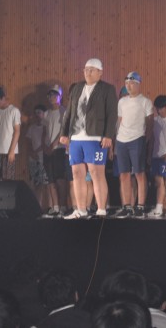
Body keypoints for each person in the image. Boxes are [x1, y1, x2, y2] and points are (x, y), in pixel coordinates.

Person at [60, 58, 117, 219]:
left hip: (95, 137)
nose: (88, 72)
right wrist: (64, 133)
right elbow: (69, 112)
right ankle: (81, 210)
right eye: (86, 69)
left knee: (96, 173)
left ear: (100, 72)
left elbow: (112, 114)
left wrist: (108, 135)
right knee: (77, 173)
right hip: (76, 136)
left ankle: (101, 209)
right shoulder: (77, 88)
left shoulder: (107, 89)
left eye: (91, 70)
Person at [114, 71, 154, 219]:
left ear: (138, 84)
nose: (128, 86)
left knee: (139, 173)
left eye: (131, 83)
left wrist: (145, 140)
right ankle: (127, 206)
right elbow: (119, 122)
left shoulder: (145, 101)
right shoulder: (122, 102)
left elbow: (150, 124)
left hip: (137, 139)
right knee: (124, 174)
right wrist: (115, 140)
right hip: (121, 140)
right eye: (126, 83)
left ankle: (141, 206)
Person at [43, 85, 69, 217]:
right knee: (51, 179)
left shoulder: (64, 111)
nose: (51, 97)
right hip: (48, 150)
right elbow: (44, 132)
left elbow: (64, 130)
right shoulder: (46, 113)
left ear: (60, 96)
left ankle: (63, 206)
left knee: (60, 179)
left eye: (54, 95)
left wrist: (54, 144)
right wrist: (45, 146)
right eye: (49, 95)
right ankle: (55, 207)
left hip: (59, 149)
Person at [148, 95, 166, 218]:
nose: (159, 110)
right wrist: (149, 154)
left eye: (161, 108)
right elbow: (152, 139)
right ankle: (158, 208)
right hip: (156, 155)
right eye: (157, 108)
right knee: (159, 183)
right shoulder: (155, 121)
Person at [0, 87, 21, 182]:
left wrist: (12, 151)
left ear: (3, 97)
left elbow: (17, 131)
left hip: (7, 151)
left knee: (7, 180)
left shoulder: (14, 111)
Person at [25, 104, 50, 209]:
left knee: (45, 185)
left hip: (45, 159)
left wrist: (38, 151)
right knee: (35, 184)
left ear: (44, 114)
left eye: (39, 112)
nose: (37, 115)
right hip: (34, 160)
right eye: (35, 113)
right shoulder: (31, 128)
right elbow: (28, 143)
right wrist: (32, 153)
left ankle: (47, 207)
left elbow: (46, 144)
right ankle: (36, 207)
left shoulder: (47, 127)